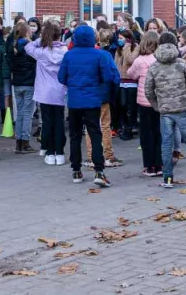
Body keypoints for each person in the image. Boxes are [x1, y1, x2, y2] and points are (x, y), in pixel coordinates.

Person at [58, 23, 118, 186]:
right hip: (93, 100)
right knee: (95, 133)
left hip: (75, 100)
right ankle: (99, 170)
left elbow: (61, 77)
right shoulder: (100, 55)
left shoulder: (69, 55)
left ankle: (76, 170)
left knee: (75, 135)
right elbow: (108, 77)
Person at [146, 32, 186, 188]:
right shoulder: (181, 64)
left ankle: (167, 177)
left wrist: (157, 105)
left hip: (165, 111)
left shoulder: (154, 66)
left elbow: (148, 90)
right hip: (182, 108)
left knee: (166, 144)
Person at [81, 28, 123, 168]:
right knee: (105, 125)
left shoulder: (77, 55)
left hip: (86, 95)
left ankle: (92, 156)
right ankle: (108, 156)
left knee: (90, 126)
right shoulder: (104, 55)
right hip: (102, 94)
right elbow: (114, 75)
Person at [124, 31, 163, 176]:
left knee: (146, 134)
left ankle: (149, 166)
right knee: (159, 133)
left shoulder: (140, 60)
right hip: (159, 100)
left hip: (144, 100)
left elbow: (131, 74)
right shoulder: (160, 60)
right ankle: (160, 164)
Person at [30, 21, 67, 164]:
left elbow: (28, 46)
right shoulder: (65, 52)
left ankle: (50, 152)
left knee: (47, 122)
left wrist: (41, 39)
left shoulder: (41, 52)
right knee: (59, 122)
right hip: (59, 91)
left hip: (44, 93)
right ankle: (60, 153)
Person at [4, 20, 39, 154]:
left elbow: (10, 63)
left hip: (17, 82)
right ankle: (25, 142)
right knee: (27, 113)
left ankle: (19, 142)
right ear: (27, 32)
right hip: (29, 82)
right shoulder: (30, 47)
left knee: (19, 113)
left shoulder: (12, 46)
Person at [116, 29, 141, 139]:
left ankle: (130, 129)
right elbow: (116, 63)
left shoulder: (135, 47)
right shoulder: (119, 49)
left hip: (131, 81)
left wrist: (126, 47)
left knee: (131, 107)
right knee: (122, 106)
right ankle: (125, 127)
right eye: (119, 38)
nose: (119, 40)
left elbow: (131, 60)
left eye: (121, 38)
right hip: (121, 81)